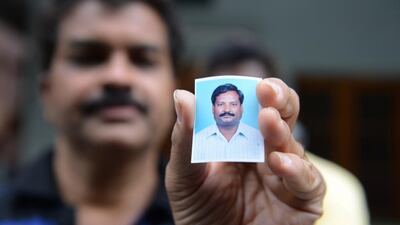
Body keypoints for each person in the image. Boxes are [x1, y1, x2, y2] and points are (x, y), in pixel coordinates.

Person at [0, 0, 326, 224]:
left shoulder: (218, 210)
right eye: (89, 56)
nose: (118, 76)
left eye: (143, 59)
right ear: (46, 90)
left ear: (177, 89)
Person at [205, 39, 370, 225]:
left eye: (249, 102)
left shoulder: (339, 187)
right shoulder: (199, 184)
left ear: (278, 104)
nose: (231, 113)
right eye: (222, 104)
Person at [193, 83, 263, 162]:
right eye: (221, 104)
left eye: (233, 104)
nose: (227, 110)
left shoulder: (259, 138)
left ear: (241, 108)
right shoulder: (197, 141)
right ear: (213, 109)